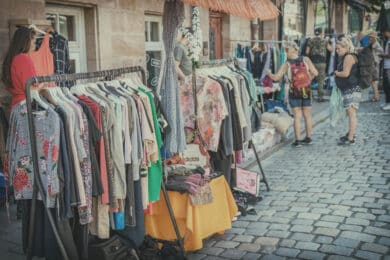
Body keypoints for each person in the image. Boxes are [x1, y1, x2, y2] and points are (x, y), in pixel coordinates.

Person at [267, 42, 318, 147]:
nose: (285, 53)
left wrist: (269, 74)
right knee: (307, 116)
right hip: (307, 91)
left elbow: (276, 78)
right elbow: (316, 73)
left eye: (286, 51)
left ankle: (298, 140)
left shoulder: (287, 64)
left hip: (294, 92)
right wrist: (308, 79)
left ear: (291, 51)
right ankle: (308, 138)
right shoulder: (306, 60)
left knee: (297, 117)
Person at [1, 27, 43, 108]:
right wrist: (44, 84)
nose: (35, 44)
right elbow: (31, 90)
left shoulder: (14, 58)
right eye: (33, 42)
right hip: (26, 107)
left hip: (17, 105)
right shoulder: (23, 59)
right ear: (25, 42)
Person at [334, 37, 361, 145]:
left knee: (351, 113)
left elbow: (345, 73)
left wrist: (336, 73)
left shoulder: (349, 57)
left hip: (351, 88)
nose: (337, 51)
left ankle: (351, 138)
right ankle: (350, 133)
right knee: (351, 113)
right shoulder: (348, 56)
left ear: (346, 47)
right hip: (350, 88)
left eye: (339, 49)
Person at [305, 28, 332, 102]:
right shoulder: (324, 41)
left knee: (310, 78)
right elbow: (331, 49)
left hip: (312, 62)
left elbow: (307, 52)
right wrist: (329, 41)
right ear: (321, 33)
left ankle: (307, 95)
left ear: (314, 33)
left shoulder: (311, 40)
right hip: (322, 62)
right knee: (320, 80)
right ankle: (320, 98)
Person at [367, 31, 383, 102]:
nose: (369, 38)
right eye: (369, 37)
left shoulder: (376, 45)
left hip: (374, 65)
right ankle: (376, 96)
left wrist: (376, 60)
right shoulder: (372, 44)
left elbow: (381, 54)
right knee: (373, 81)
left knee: (373, 81)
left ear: (374, 38)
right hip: (372, 65)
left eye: (371, 37)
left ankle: (376, 97)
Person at [381, 29, 390, 111]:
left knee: (388, 85)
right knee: (386, 85)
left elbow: (389, 55)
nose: (384, 33)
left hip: (389, 66)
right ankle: (387, 102)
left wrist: (382, 55)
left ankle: (389, 103)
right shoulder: (387, 41)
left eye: (385, 32)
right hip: (386, 66)